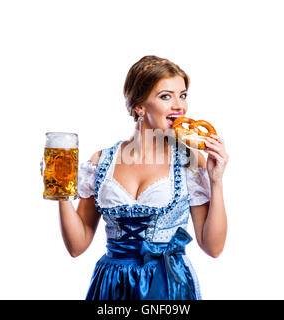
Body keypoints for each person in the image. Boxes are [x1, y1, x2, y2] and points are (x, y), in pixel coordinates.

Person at [58, 55, 229, 300]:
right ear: (139, 107)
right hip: (112, 285)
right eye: (166, 96)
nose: (179, 105)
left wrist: (216, 181)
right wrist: (62, 190)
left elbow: (213, 248)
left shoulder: (190, 160)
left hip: (169, 286)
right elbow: (77, 246)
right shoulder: (101, 161)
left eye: (183, 95)